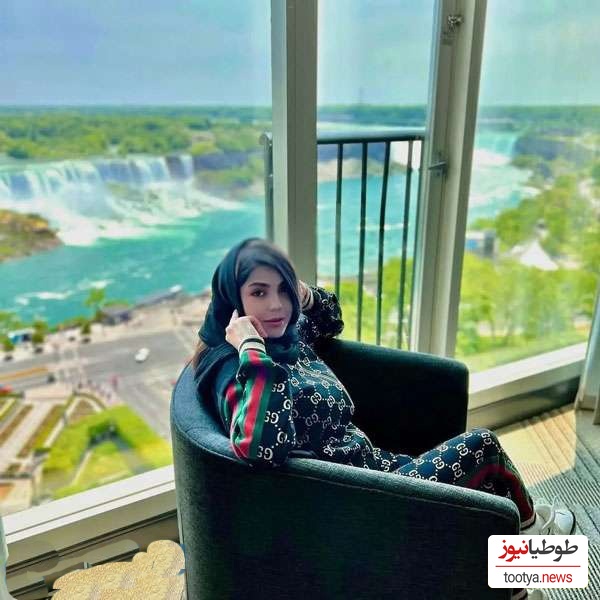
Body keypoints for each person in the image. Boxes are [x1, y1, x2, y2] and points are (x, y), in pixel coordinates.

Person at [192, 237, 575, 600]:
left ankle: (517, 585)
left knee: (485, 499)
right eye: (259, 293)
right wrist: (253, 351)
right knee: (483, 449)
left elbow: (330, 319)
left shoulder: (287, 337)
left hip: (374, 467)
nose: (277, 305)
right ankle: (535, 538)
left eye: (283, 289)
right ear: (233, 302)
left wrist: (302, 295)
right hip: (359, 500)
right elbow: (262, 449)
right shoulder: (235, 368)